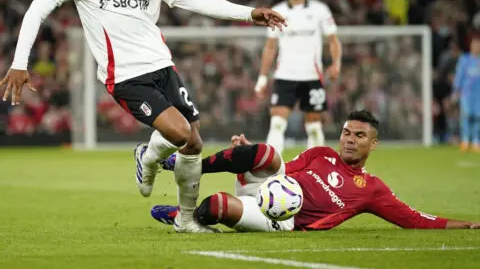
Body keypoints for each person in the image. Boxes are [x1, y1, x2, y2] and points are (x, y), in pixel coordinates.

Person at [0, 0, 286, 233]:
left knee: (194, 144)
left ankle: (187, 220)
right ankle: (148, 157)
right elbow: (38, 9)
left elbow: (195, 0)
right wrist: (19, 63)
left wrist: (248, 13)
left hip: (163, 68)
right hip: (125, 77)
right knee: (180, 134)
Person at [152, 110, 480, 231]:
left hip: (283, 217)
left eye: (359, 136)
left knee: (218, 206)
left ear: (373, 144)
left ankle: (187, 216)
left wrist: (463, 224)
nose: (350, 140)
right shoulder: (321, 153)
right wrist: (248, 154)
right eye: (347, 133)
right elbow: (284, 168)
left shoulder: (372, 188)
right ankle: (189, 165)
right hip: (276, 187)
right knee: (265, 151)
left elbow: (412, 219)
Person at [254, 0, 342, 155]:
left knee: (314, 127)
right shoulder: (276, 11)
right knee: (277, 124)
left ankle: (315, 170)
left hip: (312, 76)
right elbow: (270, 47)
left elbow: (333, 40)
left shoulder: (320, 10)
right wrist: (262, 78)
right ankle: (272, 168)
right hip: (285, 75)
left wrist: (336, 64)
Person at [452, 35, 480, 152]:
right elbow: (459, 75)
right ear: (471, 46)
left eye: (478, 45)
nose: (476, 47)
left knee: (478, 117)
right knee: (466, 116)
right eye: (475, 45)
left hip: (478, 93)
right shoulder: (465, 59)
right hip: (466, 92)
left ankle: (475, 141)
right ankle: (465, 140)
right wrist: (456, 90)